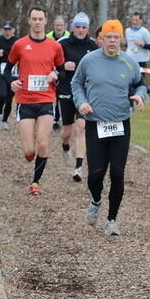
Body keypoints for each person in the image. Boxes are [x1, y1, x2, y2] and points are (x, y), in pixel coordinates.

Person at [71, 19, 145, 236]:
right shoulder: (89, 60)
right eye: (108, 37)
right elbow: (76, 83)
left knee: (117, 173)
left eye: (116, 37)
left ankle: (112, 219)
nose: (112, 41)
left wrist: (139, 96)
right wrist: (81, 102)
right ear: (101, 39)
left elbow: (140, 84)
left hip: (120, 124)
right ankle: (96, 200)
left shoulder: (130, 63)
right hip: (96, 123)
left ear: (122, 39)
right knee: (95, 175)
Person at [8, 6, 64, 195]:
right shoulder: (19, 45)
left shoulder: (55, 46)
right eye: (34, 19)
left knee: (43, 143)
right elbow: (8, 68)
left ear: (45, 21)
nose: (38, 22)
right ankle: (31, 153)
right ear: (29, 21)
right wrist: (12, 82)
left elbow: (62, 71)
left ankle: (35, 182)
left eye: (41, 19)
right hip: (25, 100)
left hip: (47, 100)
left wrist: (55, 74)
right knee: (29, 151)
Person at [57, 12, 99, 181]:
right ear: (72, 27)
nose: (81, 30)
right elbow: (52, 67)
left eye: (84, 27)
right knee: (67, 131)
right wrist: (62, 67)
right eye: (78, 27)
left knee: (81, 127)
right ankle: (65, 146)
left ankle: (79, 167)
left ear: (87, 29)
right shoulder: (62, 44)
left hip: (86, 94)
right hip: (66, 90)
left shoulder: (94, 46)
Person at [124, 12, 150, 100]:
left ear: (141, 20)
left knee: (140, 81)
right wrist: (124, 42)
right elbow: (129, 45)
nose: (134, 22)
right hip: (129, 58)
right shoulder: (127, 31)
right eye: (133, 20)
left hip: (141, 60)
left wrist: (142, 44)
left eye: (136, 20)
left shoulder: (144, 32)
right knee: (129, 81)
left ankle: (147, 91)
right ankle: (130, 103)